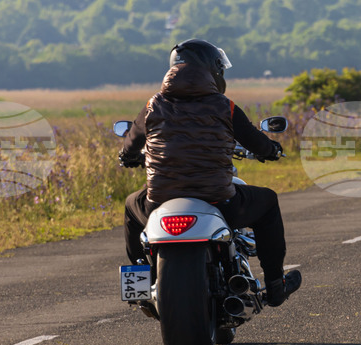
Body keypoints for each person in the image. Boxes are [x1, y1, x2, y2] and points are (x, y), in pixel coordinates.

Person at [117, 40, 301, 306]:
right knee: (268, 201)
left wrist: (128, 157)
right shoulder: (223, 106)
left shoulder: (153, 105)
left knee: (130, 204)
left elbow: (131, 142)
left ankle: (140, 287)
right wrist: (271, 149)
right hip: (219, 200)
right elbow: (255, 141)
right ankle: (275, 285)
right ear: (213, 71)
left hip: (159, 200)